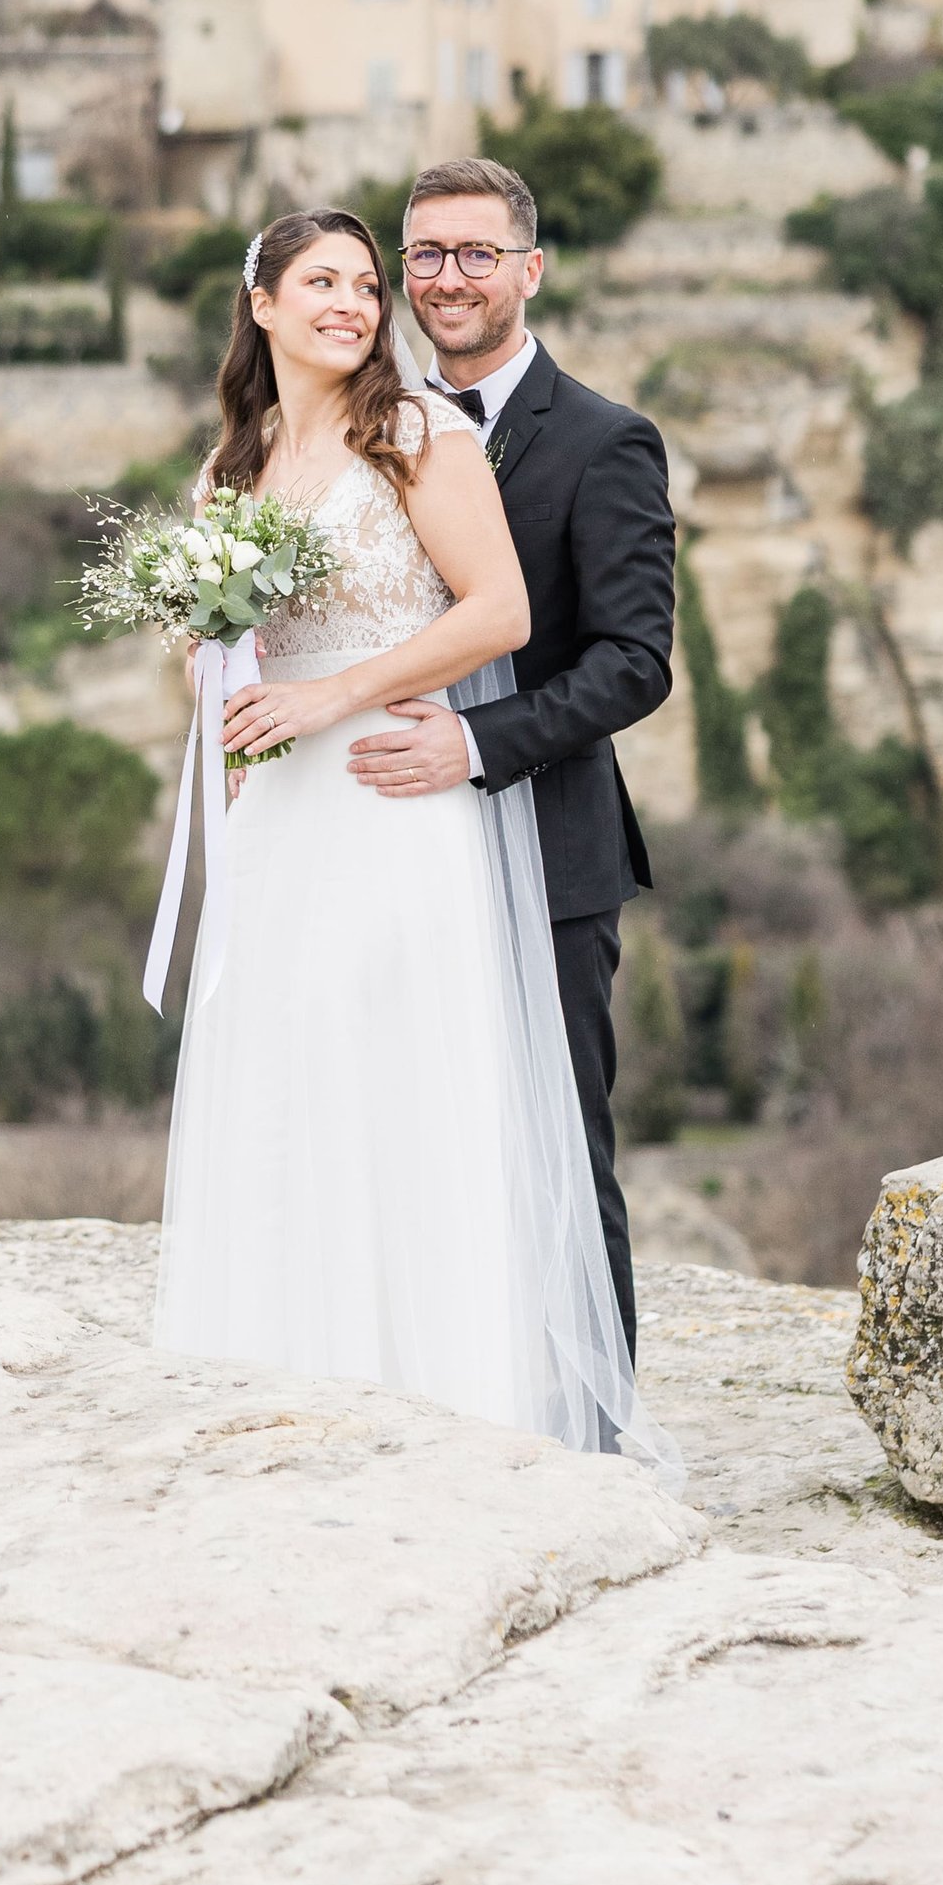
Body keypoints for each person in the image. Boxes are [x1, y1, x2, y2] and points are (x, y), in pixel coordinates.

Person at [151, 205, 660, 1461]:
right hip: (282, 819)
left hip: (399, 800)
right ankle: (293, 1392)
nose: (358, 301)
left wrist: (332, 695)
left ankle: (484, 1416)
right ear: (258, 303)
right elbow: (209, 664)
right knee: (287, 1088)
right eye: (324, 281)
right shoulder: (230, 469)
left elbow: (506, 611)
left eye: (365, 283)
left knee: (420, 1099)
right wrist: (216, 672)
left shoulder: (419, 435)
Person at [344, 156, 675, 1354]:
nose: (449, 278)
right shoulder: (357, 434)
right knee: (406, 1134)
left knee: (557, 1143)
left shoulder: (604, 441)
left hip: (547, 848)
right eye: (425, 253)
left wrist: (478, 746)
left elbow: (635, 661)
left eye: (478, 253)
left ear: (530, 271)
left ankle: (595, 1426)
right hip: (381, 845)